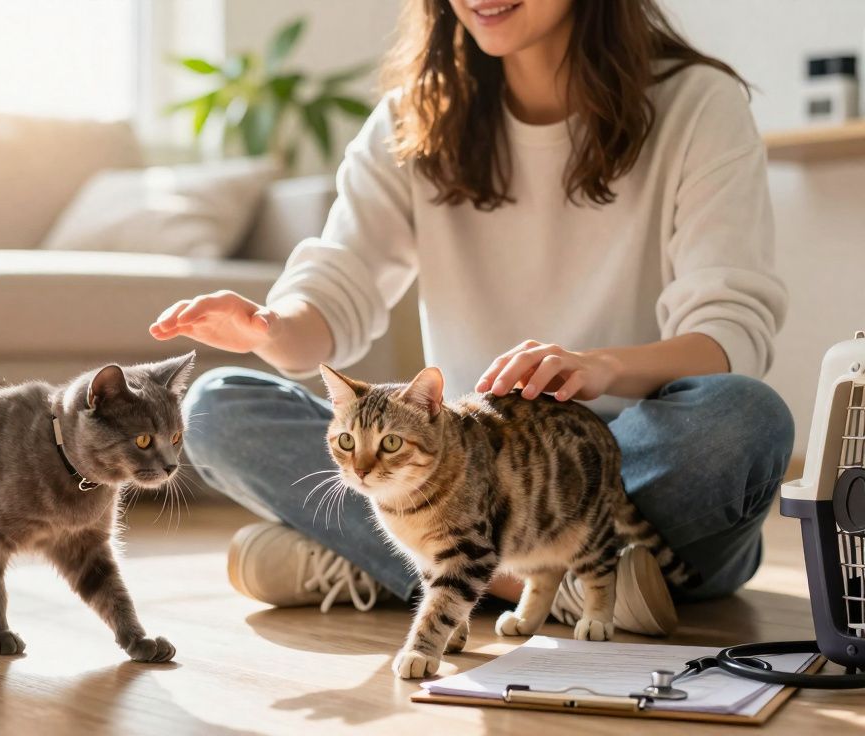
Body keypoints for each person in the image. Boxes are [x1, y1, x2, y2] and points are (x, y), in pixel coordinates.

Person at [150, 0, 793, 635]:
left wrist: (601, 367)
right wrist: (269, 327)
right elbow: (339, 283)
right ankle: (549, 582)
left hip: (622, 463)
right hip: (453, 470)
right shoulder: (413, 115)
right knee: (214, 407)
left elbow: (729, 329)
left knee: (743, 421)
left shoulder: (698, 102)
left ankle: (406, 567)